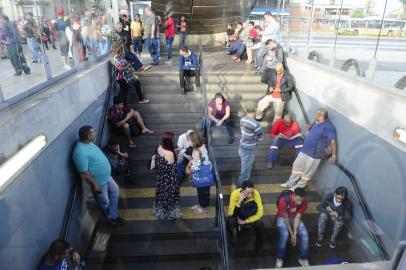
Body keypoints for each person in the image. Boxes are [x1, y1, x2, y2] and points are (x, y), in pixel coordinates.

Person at [72, 126, 124, 226]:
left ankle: (112, 215)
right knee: (105, 202)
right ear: (88, 136)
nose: (95, 134)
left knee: (115, 191)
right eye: (93, 133)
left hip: (107, 177)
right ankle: (110, 219)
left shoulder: (89, 143)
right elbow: (83, 172)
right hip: (99, 183)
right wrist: (95, 184)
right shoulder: (79, 152)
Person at [281, 108, 337, 190]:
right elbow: (314, 125)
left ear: (320, 116)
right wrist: (310, 126)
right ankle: (290, 183)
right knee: (297, 166)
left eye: (316, 114)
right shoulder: (317, 122)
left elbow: (333, 141)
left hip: (315, 154)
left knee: (307, 172)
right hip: (305, 150)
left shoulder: (328, 127)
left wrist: (334, 155)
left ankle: (299, 187)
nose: (314, 115)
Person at [275, 188, 310, 268]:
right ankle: (280, 258)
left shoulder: (304, 202)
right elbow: (285, 218)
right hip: (282, 217)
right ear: (293, 196)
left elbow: (298, 218)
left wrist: (295, 233)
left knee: (305, 234)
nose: (300, 202)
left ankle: (303, 258)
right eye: (298, 200)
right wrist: (291, 234)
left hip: (295, 218)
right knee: (285, 235)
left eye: (301, 200)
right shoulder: (283, 200)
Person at [227, 180, 265, 253]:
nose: (250, 195)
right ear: (242, 191)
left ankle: (259, 245)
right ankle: (230, 241)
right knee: (230, 221)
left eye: (252, 192)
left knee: (260, 224)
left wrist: (246, 221)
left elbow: (260, 213)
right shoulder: (235, 194)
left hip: (250, 216)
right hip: (238, 215)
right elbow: (231, 213)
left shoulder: (256, 193)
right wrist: (239, 202)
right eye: (248, 193)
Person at [151, 132, 181, 220]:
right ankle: (168, 213)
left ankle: (160, 209)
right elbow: (173, 167)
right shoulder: (170, 154)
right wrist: (178, 157)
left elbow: (162, 161)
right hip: (169, 179)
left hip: (161, 177)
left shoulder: (159, 146)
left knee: (161, 194)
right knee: (170, 195)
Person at [237, 100, 264, 187]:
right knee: (245, 172)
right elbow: (260, 138)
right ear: (255, 109)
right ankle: (240, 188)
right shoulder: (256, 125)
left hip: (242, 147)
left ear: (245, 110)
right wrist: (255, 137)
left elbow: (244, 132)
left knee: (245, 170)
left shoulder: (242, 120)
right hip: (249, 150)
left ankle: (244, 187)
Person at [187, 131, 212, 214]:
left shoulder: (197, 151)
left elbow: (196, 167)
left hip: (201, 175)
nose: (188, 142)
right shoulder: (202, 146)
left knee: (202, 192)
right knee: (203, 191)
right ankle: (200, 205)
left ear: (194, 141)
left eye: (189, 140)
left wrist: (189, 170)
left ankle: (203, 208)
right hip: (205, 174)